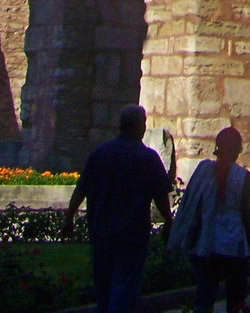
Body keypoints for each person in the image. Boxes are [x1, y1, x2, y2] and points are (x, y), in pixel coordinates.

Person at [64, 105, 174, 313]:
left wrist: (69, 217)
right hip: (131, 232)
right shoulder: (147, 158)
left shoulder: (99, 154)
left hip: (101, 230)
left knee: (104, 285)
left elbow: (82, 188)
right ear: (140, 127)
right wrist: (168, 221)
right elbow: (160, 194)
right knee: (125, 285)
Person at [169, 126, 250, 313]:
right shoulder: (243, 177)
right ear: (238, 150)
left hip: (207, 243)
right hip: (234, 246)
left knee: (204, 299)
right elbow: (246, 215)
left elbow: (192, 203)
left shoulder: (204, 170)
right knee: (235, 302)